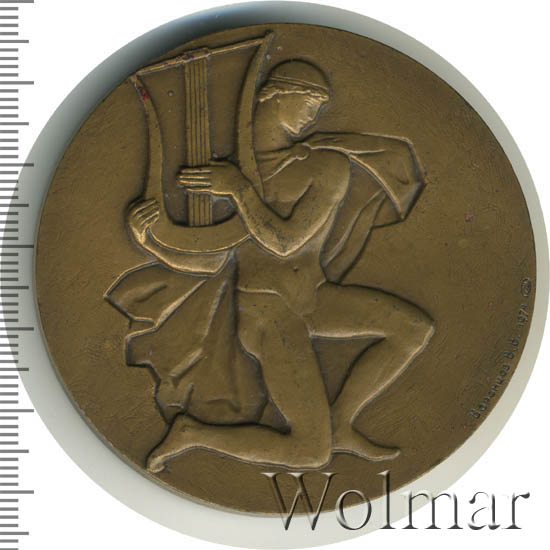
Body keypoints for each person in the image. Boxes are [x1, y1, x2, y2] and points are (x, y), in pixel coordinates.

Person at [114, 60, 434, 472]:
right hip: (267, 313)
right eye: (308, 103)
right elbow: (215, 258)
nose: (313, 116)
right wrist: (150, 242)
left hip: (312, 297)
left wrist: (240, 190)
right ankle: (192, 433)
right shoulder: (227, 172)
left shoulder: (324, 166)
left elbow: (285, 242)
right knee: (311, 453)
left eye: (320, 108)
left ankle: (340, 420)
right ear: (274, 95)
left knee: (414, 329)